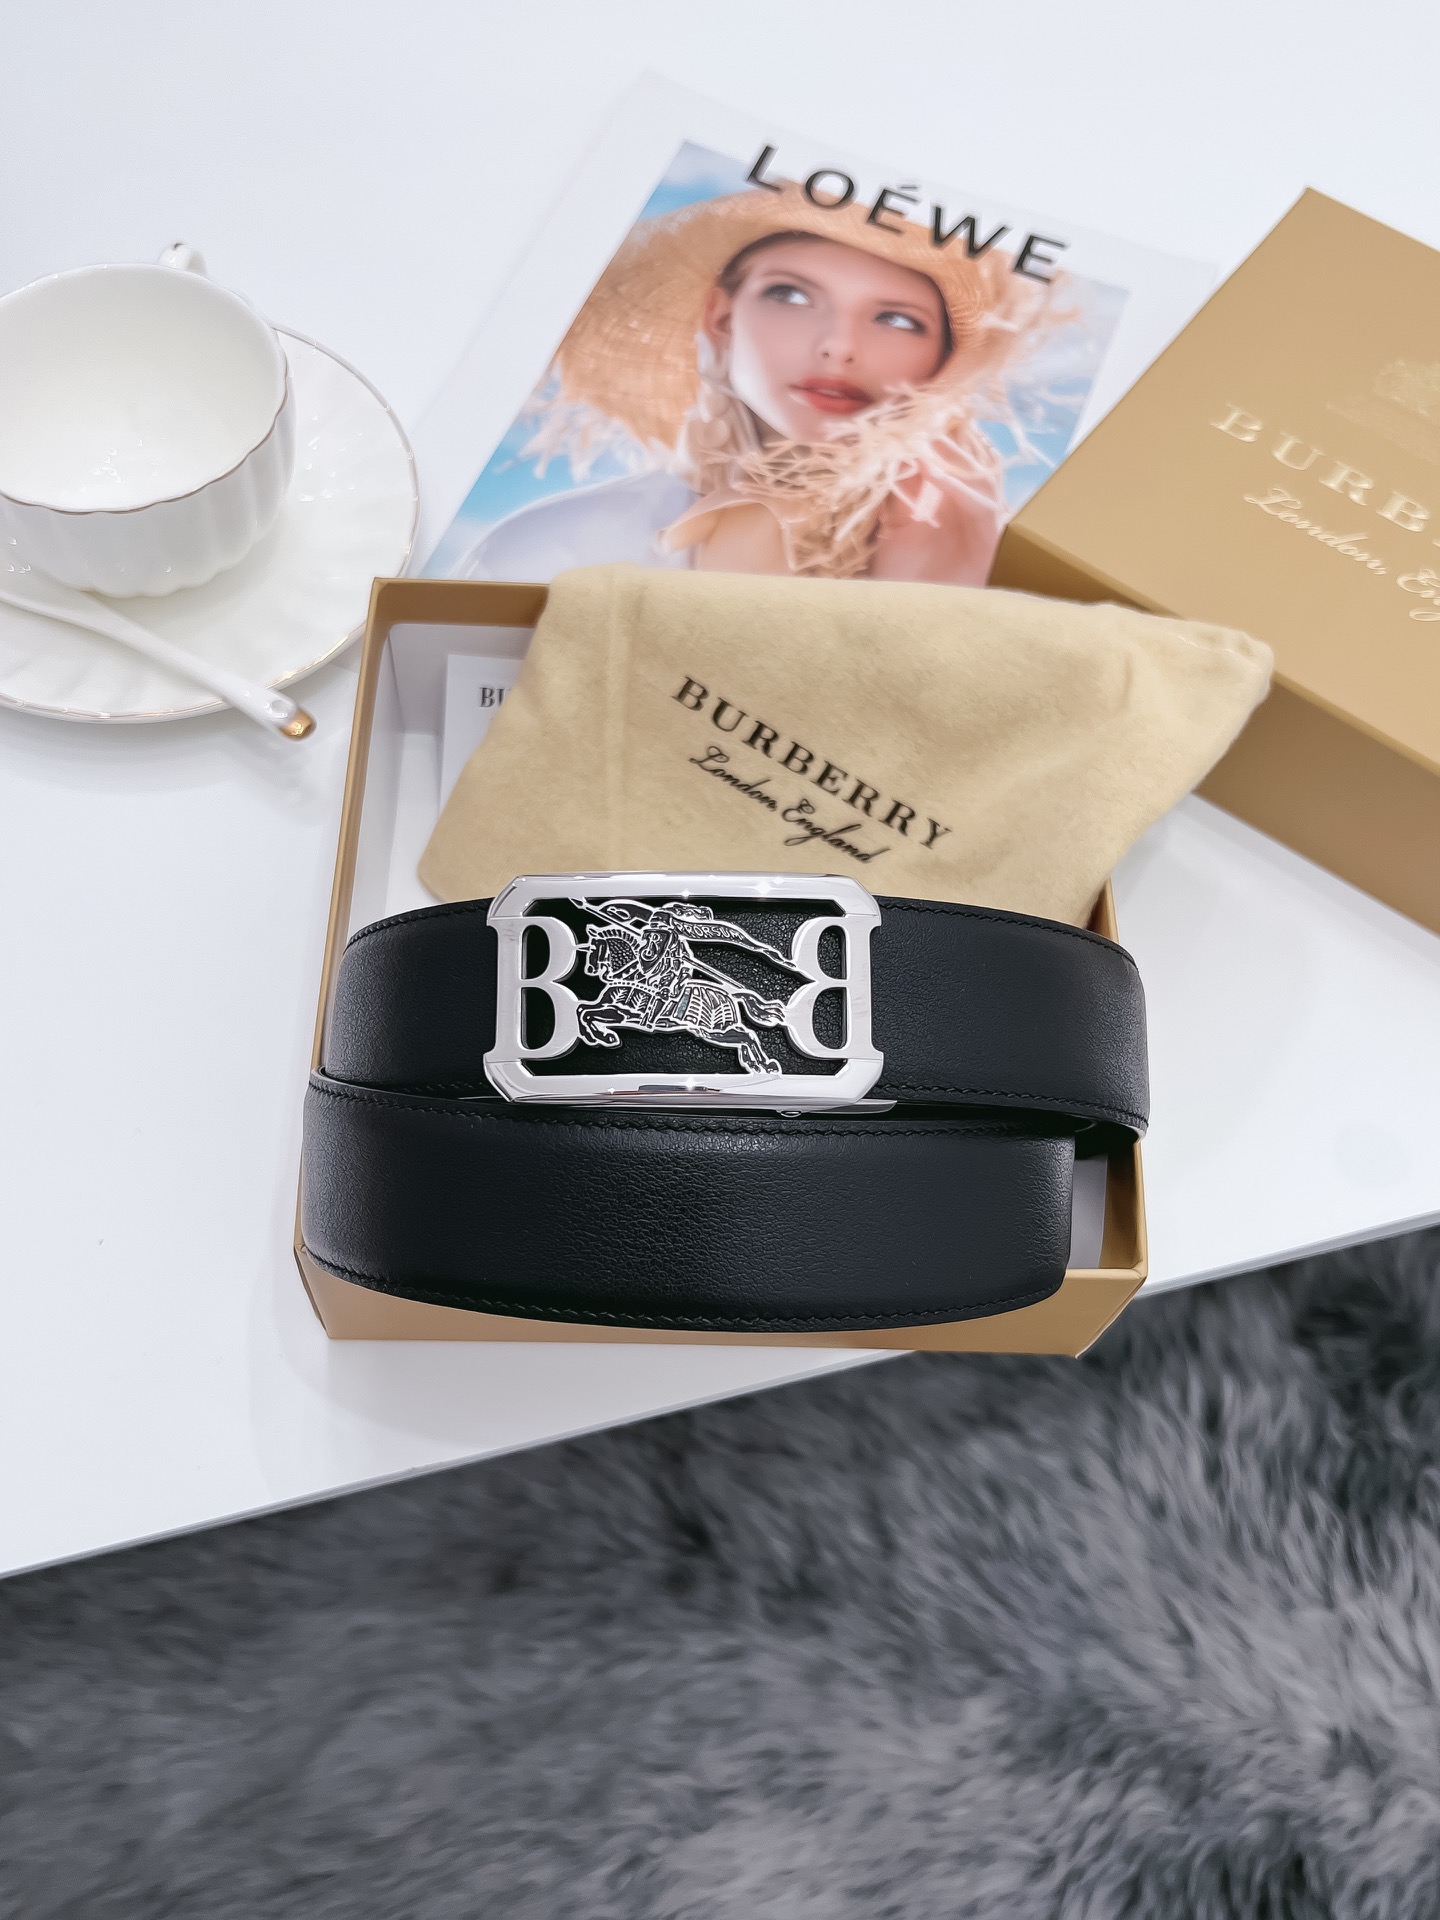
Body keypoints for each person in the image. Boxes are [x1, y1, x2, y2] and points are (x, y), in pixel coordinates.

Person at [455, 179, 1055, 586]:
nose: (839, 345)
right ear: (721, 318)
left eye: (897, 320)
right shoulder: (555, 549)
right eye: (791, 295)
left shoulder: (999, 576)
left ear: (943, 360)